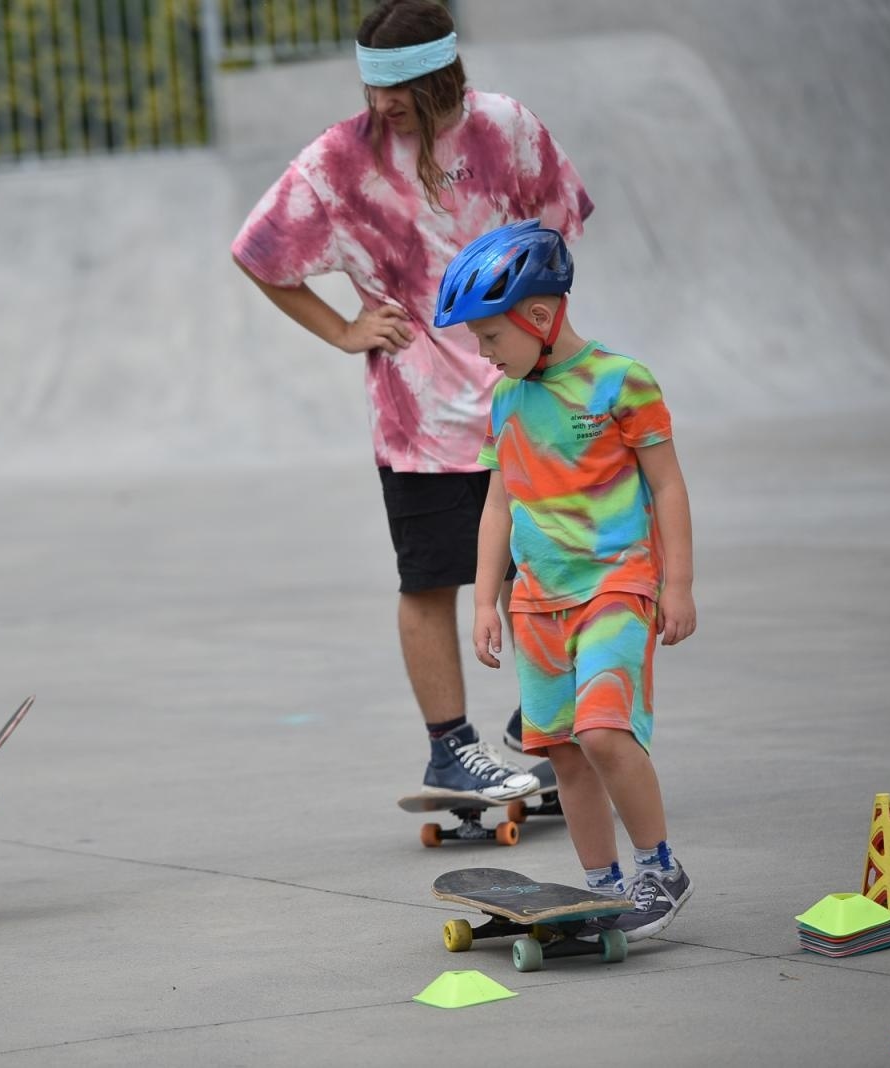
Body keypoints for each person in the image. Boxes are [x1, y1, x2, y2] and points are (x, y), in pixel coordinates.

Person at [231, 0, 593, 800]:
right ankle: (449, 749)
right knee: (430, 580)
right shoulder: (338, 159)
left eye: (398, 91)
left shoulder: (507, 129)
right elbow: (259, 252)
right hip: (419, 416)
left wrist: (544, 342)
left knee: (544, 570)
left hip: (520, 401)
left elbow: (558, 233)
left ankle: (533, 724)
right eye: (372, 90)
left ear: (442, 76)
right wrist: (342, 329)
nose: (382, 106)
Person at [437, 218, 696, 939]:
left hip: (616, 585)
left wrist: (677, 584)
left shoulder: (623, 382)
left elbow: (668, 486)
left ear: (542, 316)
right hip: (537, 605)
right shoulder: (508, 400)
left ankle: (660, 867)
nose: (485, 356)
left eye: (491, 338)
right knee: (562, 750)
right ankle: (599, 887)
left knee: (605, 733)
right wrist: (486, 599)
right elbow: (498, 503)